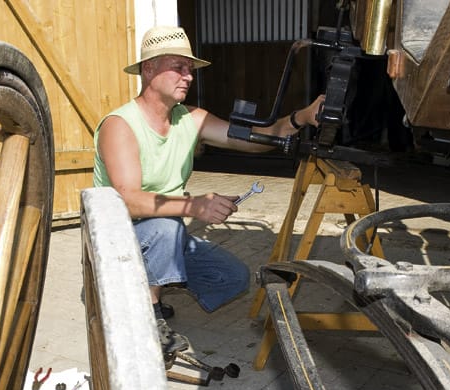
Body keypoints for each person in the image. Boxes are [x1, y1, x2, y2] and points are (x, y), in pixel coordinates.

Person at [93, 25, 324, 357]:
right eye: (178, 66)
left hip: (161, 232)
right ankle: (148, 314)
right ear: (148, 69)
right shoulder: (121, 124)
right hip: (117, 235)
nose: (188, 76)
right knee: (166, 224)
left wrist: (302, 117)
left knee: (232, 278)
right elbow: (127, 201)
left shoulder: (192, 119)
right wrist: (193, 206)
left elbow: (260, 139)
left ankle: (143, 283)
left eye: (190, 69)